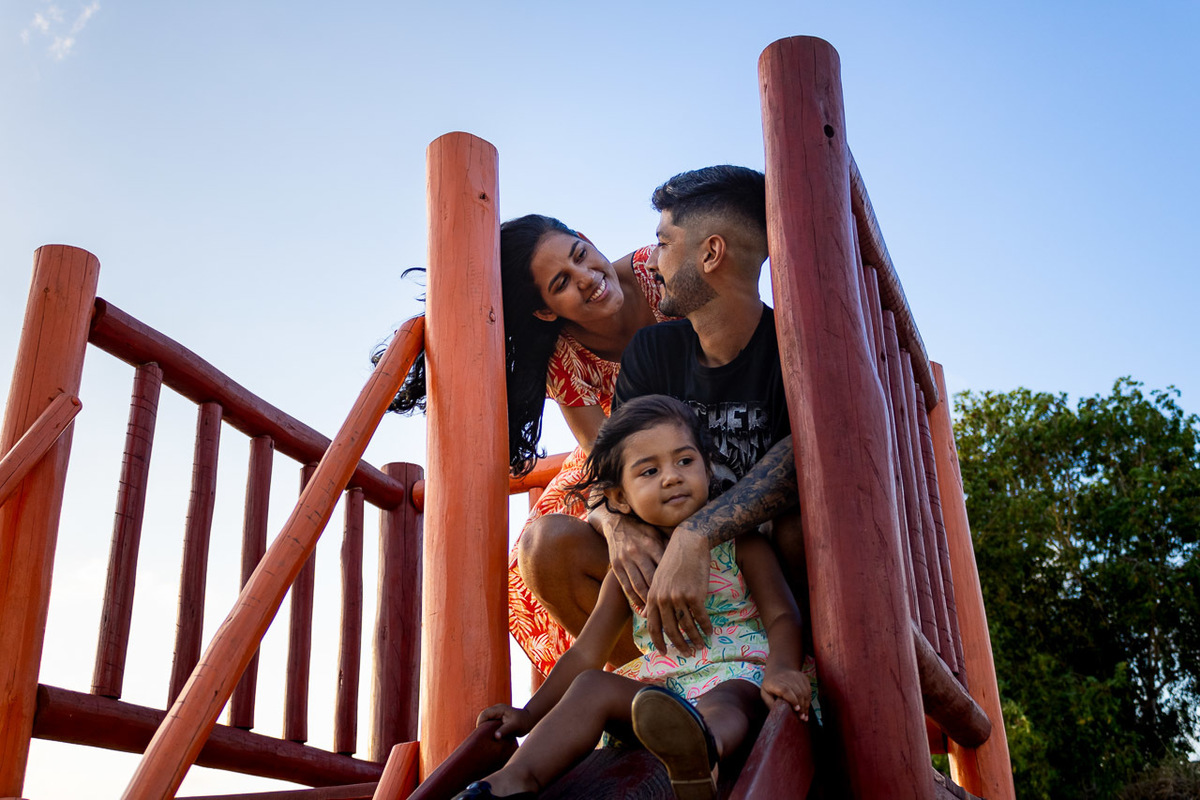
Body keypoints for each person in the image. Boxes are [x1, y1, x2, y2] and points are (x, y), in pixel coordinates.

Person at [453, 395, 812, 800]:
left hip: (734, 673)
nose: (672, 477)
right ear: (620, 498)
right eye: (649, 471)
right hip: (661, 692)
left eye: (685, 461)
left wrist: (781, 668)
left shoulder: (740, 544)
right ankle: (512, 780)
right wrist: (529, 714)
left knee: (726, 700)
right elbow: (585, 654)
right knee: (592, 684)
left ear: (708, 470)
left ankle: (701, 753)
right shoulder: (630, 570)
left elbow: (782, 615)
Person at [522, 165, 805, 659]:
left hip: (757, 563)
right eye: (562, 282)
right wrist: (618, 520)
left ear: (710, 253)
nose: (650, 261)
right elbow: (608, 459)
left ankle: (797, 668)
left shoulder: (791, 348)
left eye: (663, 244)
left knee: (800, 528)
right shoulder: (650, 350)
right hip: (656, 520)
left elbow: (798, 462)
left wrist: (699, 533)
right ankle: (648, 687)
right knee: (542, 543)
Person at [383, 214, 670, 672]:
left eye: (580, 256)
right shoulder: (564, 355)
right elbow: (601, 450)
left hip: (694, 428)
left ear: (588, 240)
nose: (588, 279)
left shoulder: (658, 273)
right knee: (528, 560)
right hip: (621, 455)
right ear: (546, 310)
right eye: (562, 282)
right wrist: (613, 519)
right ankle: (639, 673)